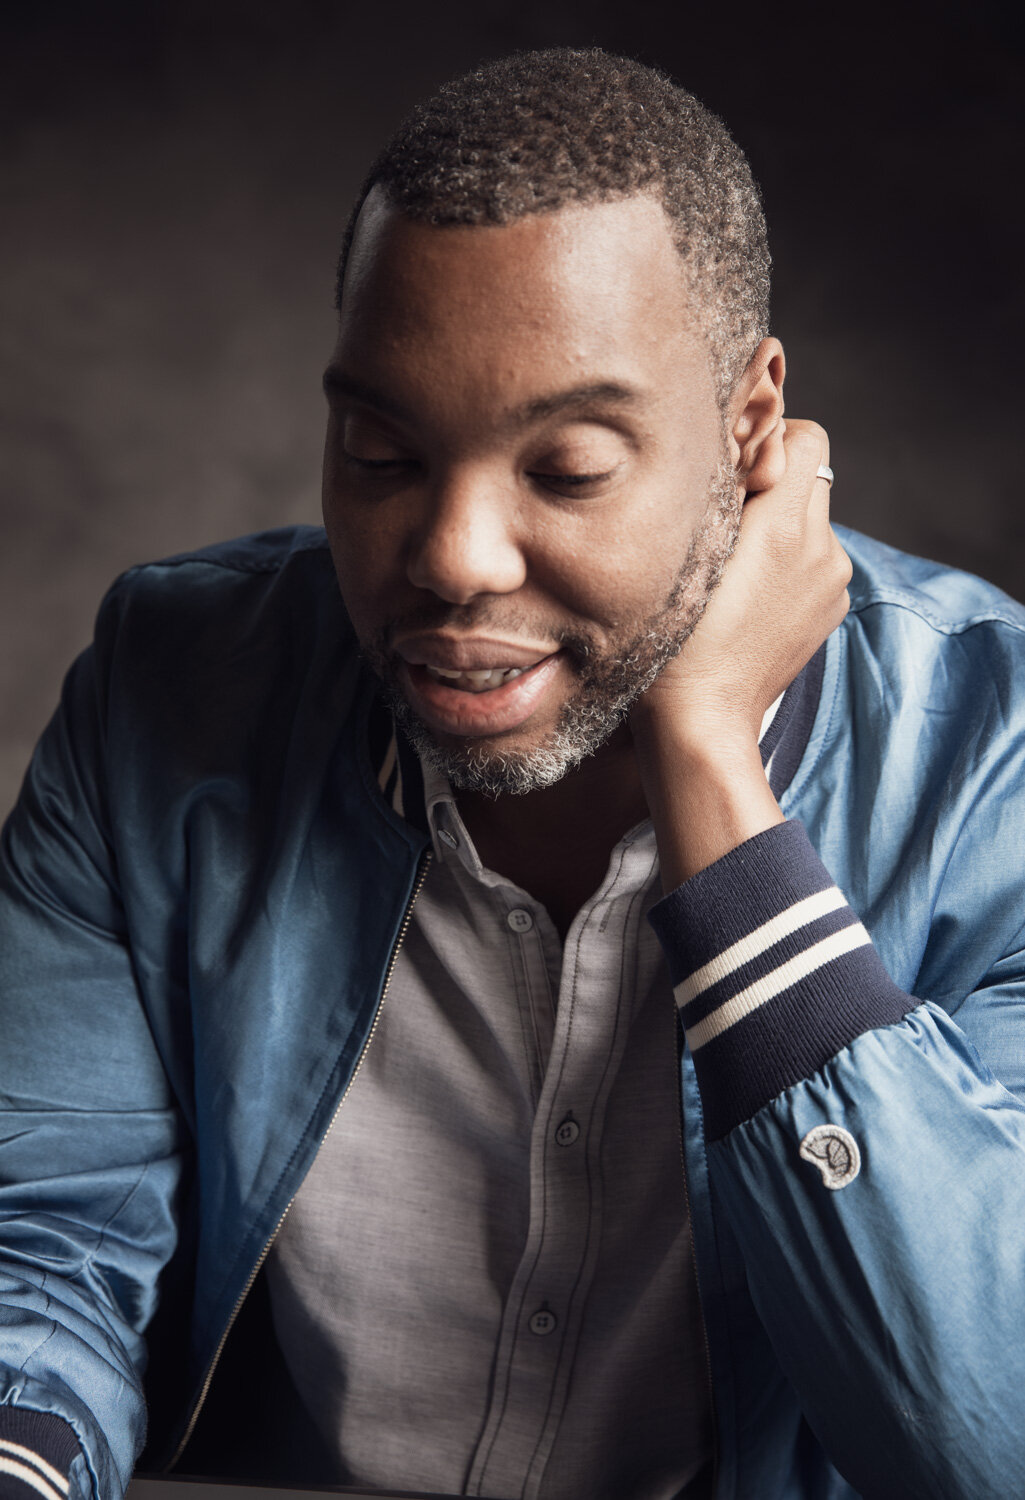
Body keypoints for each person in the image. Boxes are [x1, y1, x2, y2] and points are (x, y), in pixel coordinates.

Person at [1, 45, 1024, 1500]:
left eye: (566, 470)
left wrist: (711, 773)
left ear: (748, 430)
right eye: (379, 452)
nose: (448, 557)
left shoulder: (998, 758)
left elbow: (982, 1441)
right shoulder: (167, 694)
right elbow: (42, 1259)